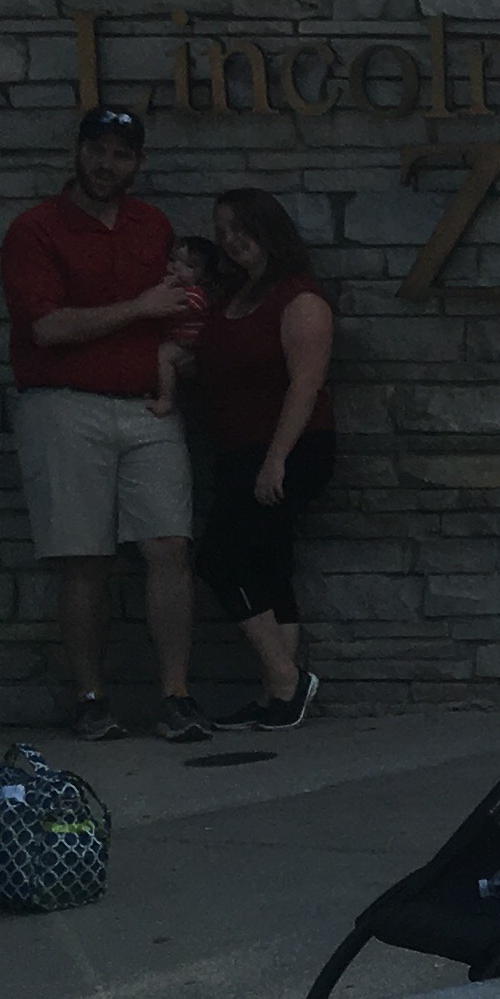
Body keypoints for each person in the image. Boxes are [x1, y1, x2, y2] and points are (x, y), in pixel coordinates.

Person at [0, 104, 209, 741]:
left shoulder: (153, 225)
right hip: (65, 404)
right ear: (78, 152)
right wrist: (138, 308)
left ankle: (175, 694)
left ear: (137, 163)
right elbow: (47, 326)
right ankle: (90, 696)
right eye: (97, 150)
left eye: (120, 154)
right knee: (84, 557)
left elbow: (178, 305)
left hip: (148, 405)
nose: (106, 163)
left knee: (169, 545)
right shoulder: (36, 229)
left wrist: (185, 347)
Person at [188, 186, 340, 730]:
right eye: (222, 230)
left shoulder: (299, 298)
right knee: (268, 561)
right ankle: (280, 697)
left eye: (241, 227)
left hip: (287, 447)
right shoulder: (233, 294)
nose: (231, 239)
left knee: (220, 560)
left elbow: (306, 383)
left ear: (268, 227)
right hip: (236, 448)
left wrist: (276, 459)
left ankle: (286, 679)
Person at [145, 232, 217, 420]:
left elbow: (176, 308)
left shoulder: (196, 293)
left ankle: (166, 399)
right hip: (176, 339)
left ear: (204, 276)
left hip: (189, 344)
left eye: (188, 265)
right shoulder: (181, 289)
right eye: (173, 260)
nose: (176, 267)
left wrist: (164, 288)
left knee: (164, 356)